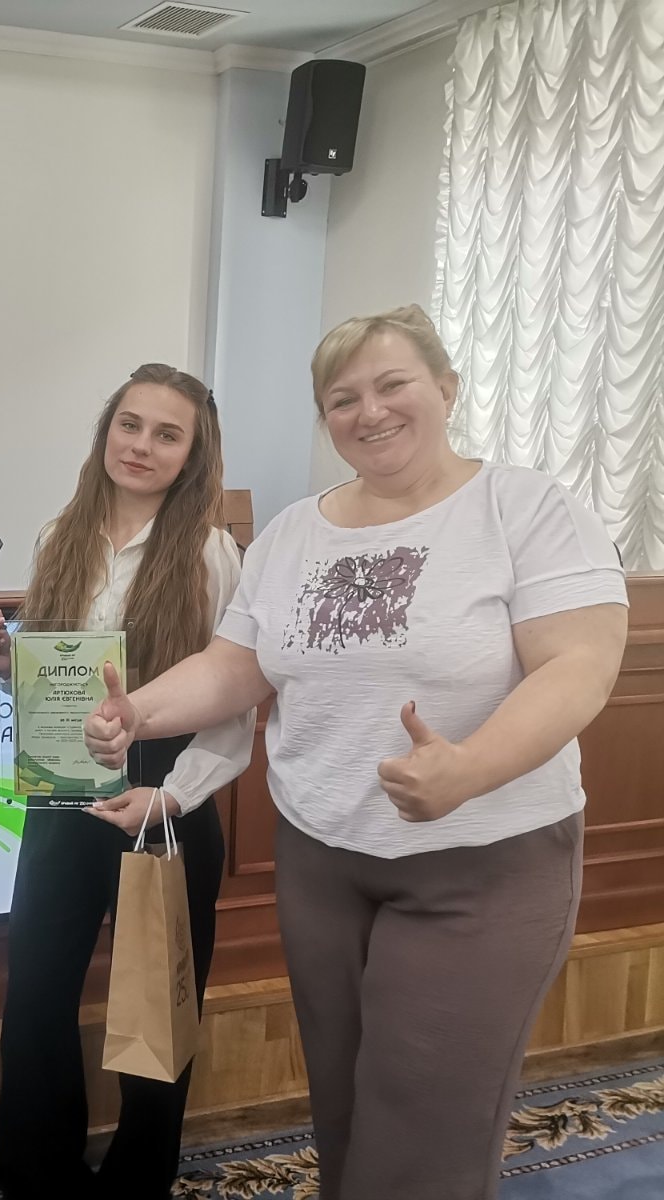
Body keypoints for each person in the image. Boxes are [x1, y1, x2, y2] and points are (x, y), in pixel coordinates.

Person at [84, 306, 629, 1200]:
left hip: (482, 860)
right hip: (322, 857)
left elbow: (580, 665)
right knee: (342, 1105)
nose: (368, 412)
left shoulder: (527, 508)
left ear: (445, 388)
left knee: (424, 1121)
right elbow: (236, 665)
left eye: (392, 385)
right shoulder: (295, 532)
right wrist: (135, 712)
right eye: (342, 399)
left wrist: (469, 769)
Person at [0, 363, 254, 1199]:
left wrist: (174, 795)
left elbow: (233, 696)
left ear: (193, 454)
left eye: (167, 434)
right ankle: (38, 1174)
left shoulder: (211, 554)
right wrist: (8, 666)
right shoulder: (60, 534)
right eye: (130, 424)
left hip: (164, 799)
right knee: (37, 992)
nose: (141, 445)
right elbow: (63, 681)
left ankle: (137, 1182)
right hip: (62, 795)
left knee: (154, 1013)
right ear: (106, 431)